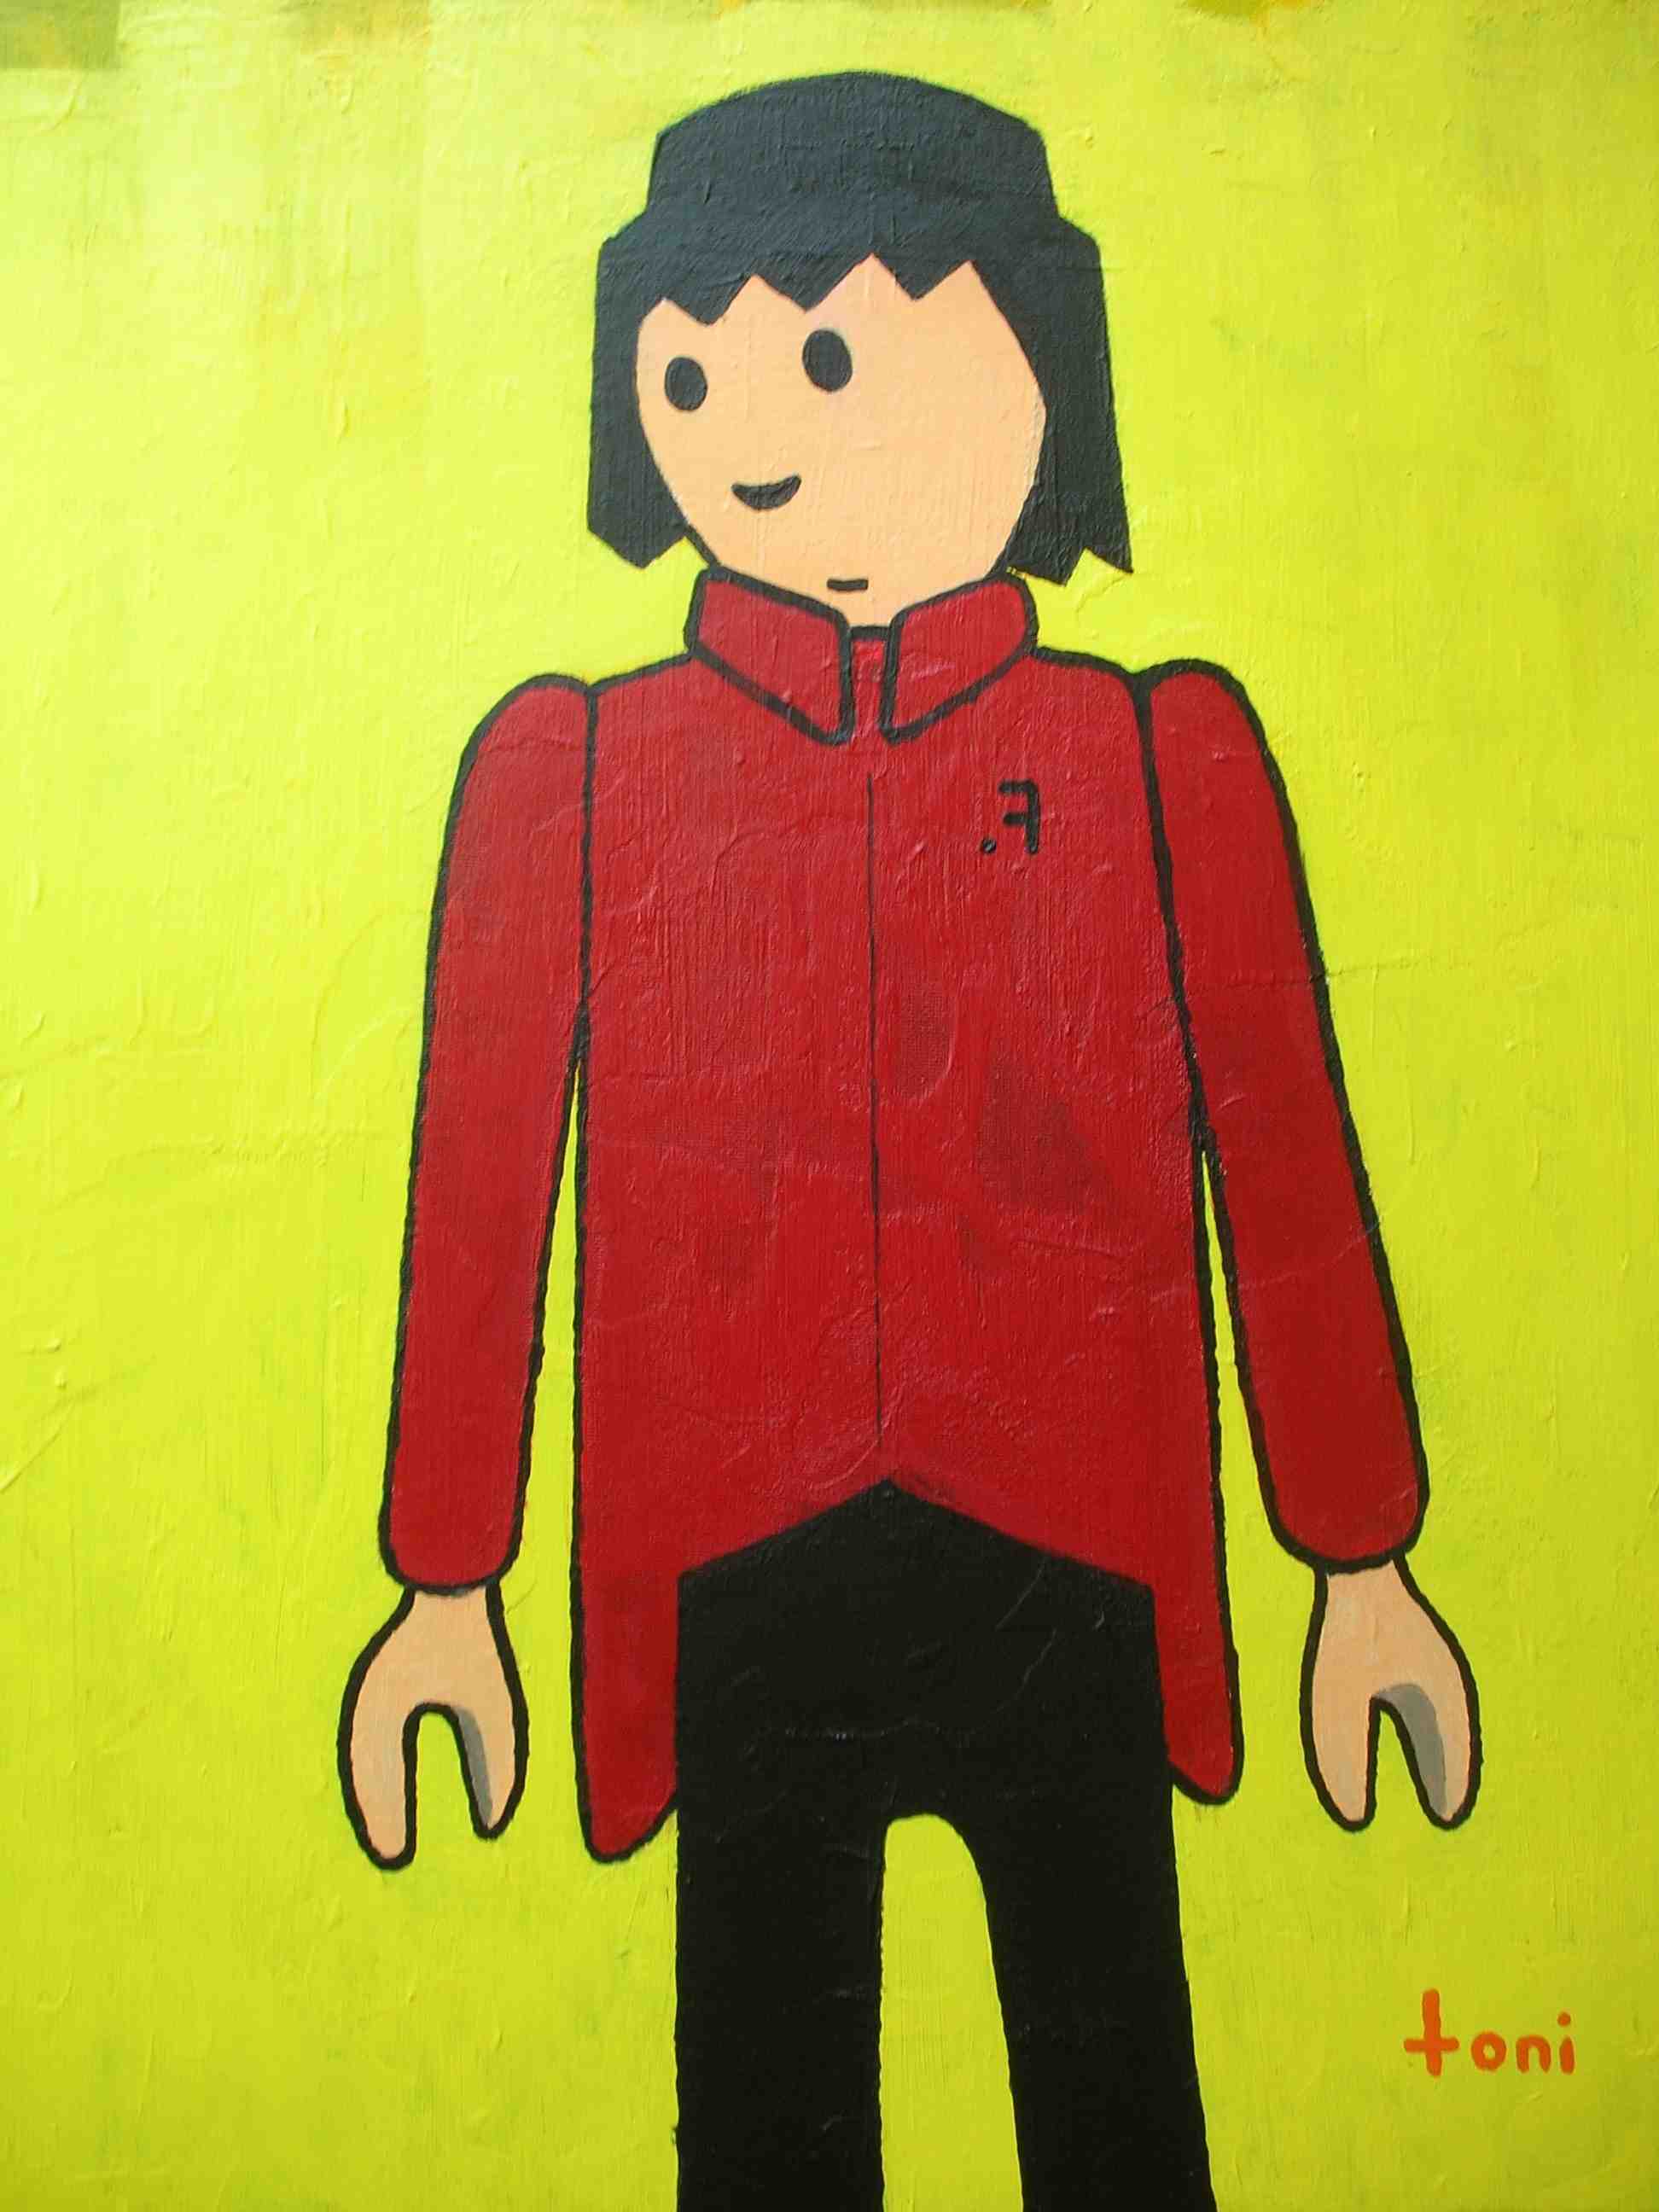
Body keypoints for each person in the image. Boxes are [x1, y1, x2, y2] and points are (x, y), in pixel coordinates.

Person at [340, 73, 1479, 2210]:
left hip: (1073, 1553)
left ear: (1041, 357)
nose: (756, 434)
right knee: (768, 2133)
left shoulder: (1153, 755)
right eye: (694, 370)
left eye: (833, 352)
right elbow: (480, 1195)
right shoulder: (572, 774)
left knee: (1118, 2112)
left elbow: (1286, 1162)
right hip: (737, 1575)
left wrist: (1361, 1556)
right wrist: (442, 1578)